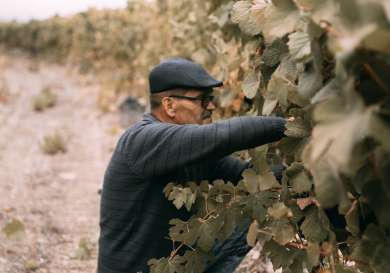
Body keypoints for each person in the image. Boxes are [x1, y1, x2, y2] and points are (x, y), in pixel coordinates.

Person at [97, 58, 287, 273]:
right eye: (203, 100)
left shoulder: (191, 154)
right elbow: (221, 136)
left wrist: (299, 174)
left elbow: (248, 177)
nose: (211, 106)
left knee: (248, 209)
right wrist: (290, 125)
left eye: (211, 98)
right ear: (169, 105)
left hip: (171, 266)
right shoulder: (143, 139)